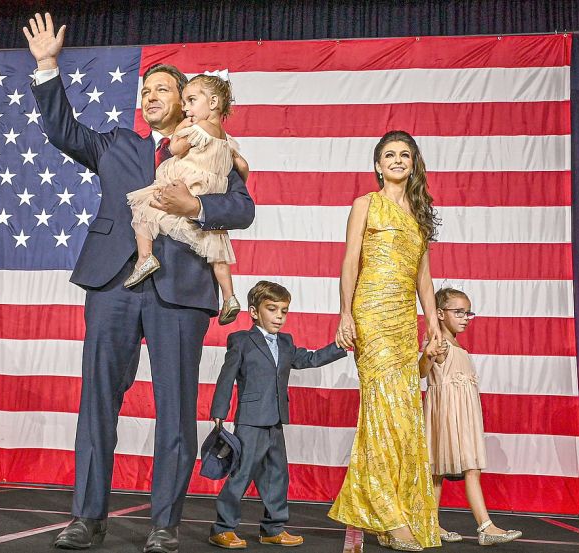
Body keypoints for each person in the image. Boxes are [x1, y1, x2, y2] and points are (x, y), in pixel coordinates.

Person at [23, 13, 256, 553]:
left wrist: (197, 204)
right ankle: (87, 518)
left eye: (163, 90)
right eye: (146, 90)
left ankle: (164, 526)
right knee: (98, 402)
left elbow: (243, 209)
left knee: (174, 409)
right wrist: (47, 66)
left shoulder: (213, 145)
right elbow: (62, 130)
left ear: (187, 100)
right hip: (113, 284)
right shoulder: (117, 146)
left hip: (181, 290)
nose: (150, 96)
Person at [328, 130, 444, 551]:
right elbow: (349, 261)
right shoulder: (365, 204)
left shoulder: (419, 211)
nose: (397, 160)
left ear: (413, 163)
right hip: (372, 314)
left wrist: (432, 323)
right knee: (381, 408)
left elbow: (424, 277)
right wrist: (345, 313)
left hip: (402, 320)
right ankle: (389, 519)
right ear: (378, 165)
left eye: (405, 155)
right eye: (389, 155)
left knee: (404, 415)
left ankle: (394, 514)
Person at [208, 280, 346, 549]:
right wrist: (219, 412)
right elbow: (226, 377)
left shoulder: (286, 342)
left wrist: (340, 346)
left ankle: (273, 528)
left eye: (284, 310)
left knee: (277, 475)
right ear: (254, 312)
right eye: (272, 309)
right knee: (241, 474)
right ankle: (222, 528)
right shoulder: (241, 340)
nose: (279, 316)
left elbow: (310, 359)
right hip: (250, 420)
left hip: (276, 420)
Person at [124, 73, 248, 326]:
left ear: (212, 103)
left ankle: (145, 257)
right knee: (218, 253)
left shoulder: (196, 129)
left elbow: (176, 149)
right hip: (211, 188)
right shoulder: (226, 139)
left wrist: (179, 132)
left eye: (191, 100)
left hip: (185, 182)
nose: (186, 108)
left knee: (144, 208)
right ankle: (229, 297)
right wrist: (224, 182)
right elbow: (242, 165)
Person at [419, 288, 523, 546]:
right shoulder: (439, 342)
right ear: (440, 314)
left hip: (462, 412)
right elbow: (421, 372)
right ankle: (485, 526)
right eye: (459, 312)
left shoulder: (454, 343)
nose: (465, 318)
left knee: (438, 472)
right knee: (468, 469)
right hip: (448, 413)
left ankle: (430, 525)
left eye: (468, 313)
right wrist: (428, 354)